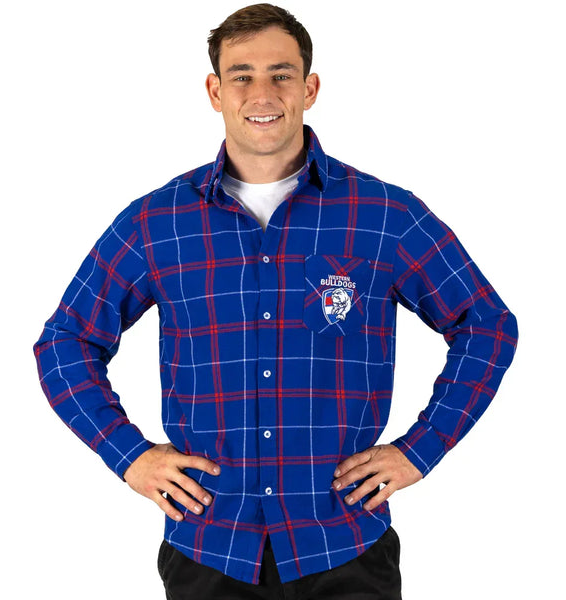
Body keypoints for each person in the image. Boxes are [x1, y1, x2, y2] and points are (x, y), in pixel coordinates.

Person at [33, 4, 518, 599]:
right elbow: (65, 342)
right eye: (242, 75)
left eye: (281, 74)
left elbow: (486, 325)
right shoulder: (156, 223)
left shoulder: (385, 215)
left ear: (309, 88)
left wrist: (420, 451)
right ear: (215, 91)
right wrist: (129, 456)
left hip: (344, 543)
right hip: (209, 546)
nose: (261, 93)